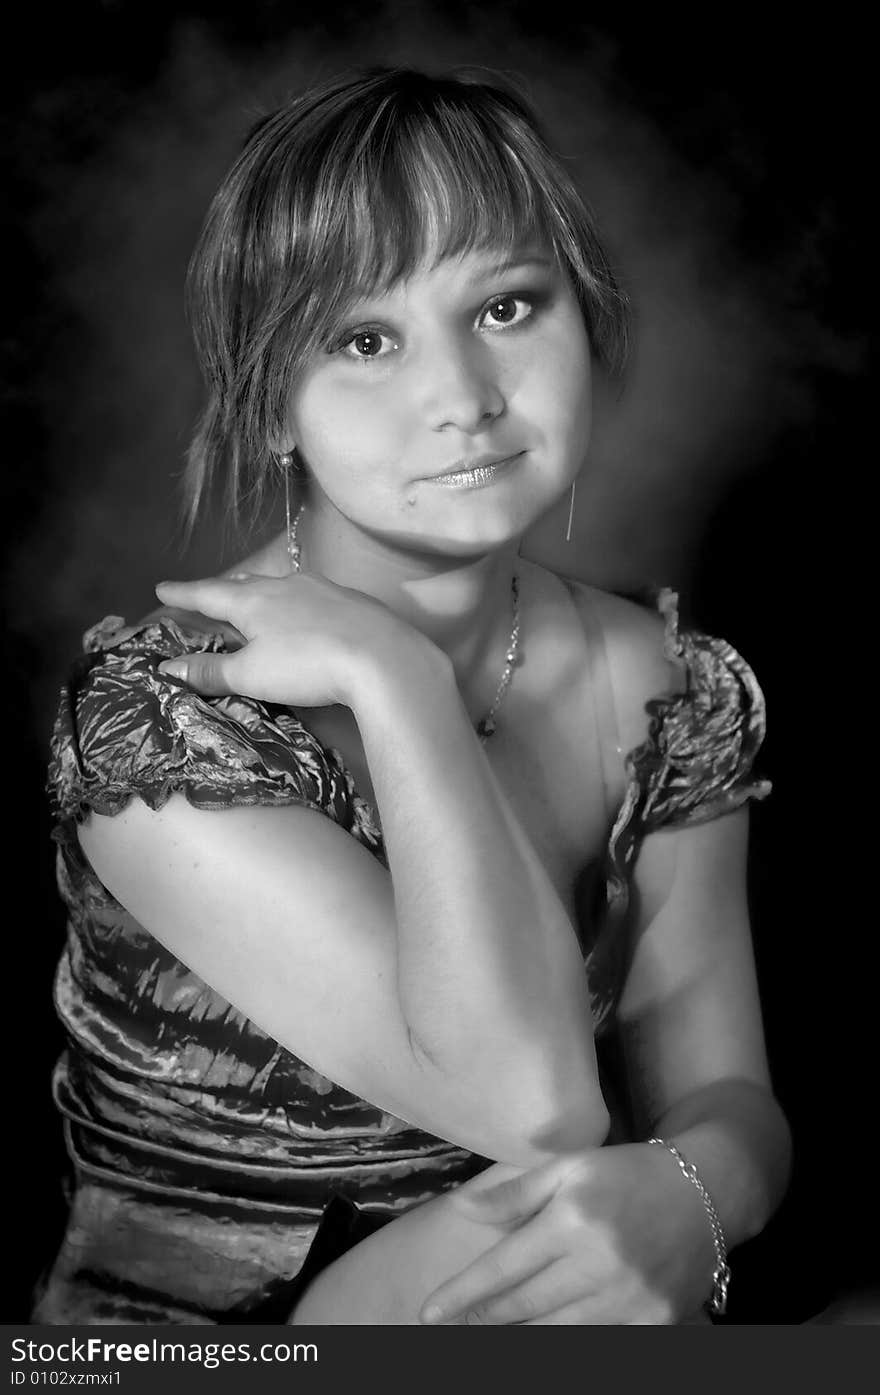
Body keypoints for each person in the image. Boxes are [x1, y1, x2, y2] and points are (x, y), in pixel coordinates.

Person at [36, 66, 790, 1326]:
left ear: (583, 321)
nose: (461, 398)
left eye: (505, 308)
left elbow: (729, 1098)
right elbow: (529, 1104)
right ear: (272, 404)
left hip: (521, 1299)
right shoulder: (169, 716)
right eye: (365, 339)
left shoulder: (664, 686)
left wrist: (693, 1191)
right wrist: (401, 688)